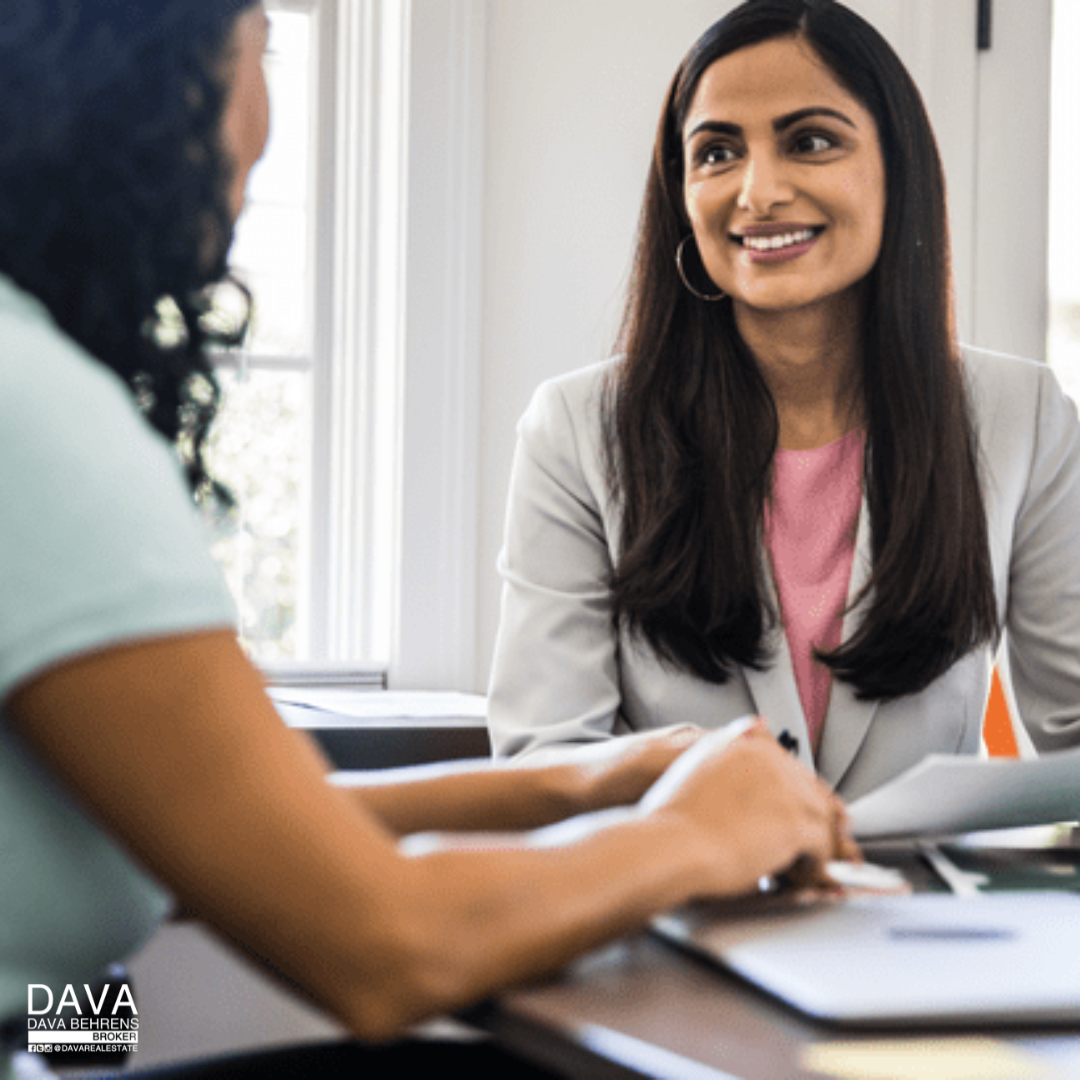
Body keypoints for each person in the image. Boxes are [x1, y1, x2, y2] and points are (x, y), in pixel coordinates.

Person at [0, 3, 856, 1078]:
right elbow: (385, 948)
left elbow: (177, 835)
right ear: (146, 93)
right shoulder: (33, 419)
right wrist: (693, 837)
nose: (263, 124)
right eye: (261, 53)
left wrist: (577, 787)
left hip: (51, 1034)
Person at [486, 0, 1080, 799]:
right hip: (675, 909)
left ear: (896, 171)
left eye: (810, 141)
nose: (758, 192)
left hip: (919, 918)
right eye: (718, 152)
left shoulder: (1024, 417)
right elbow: (545, 764)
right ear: (682, 192)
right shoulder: (576, 433)